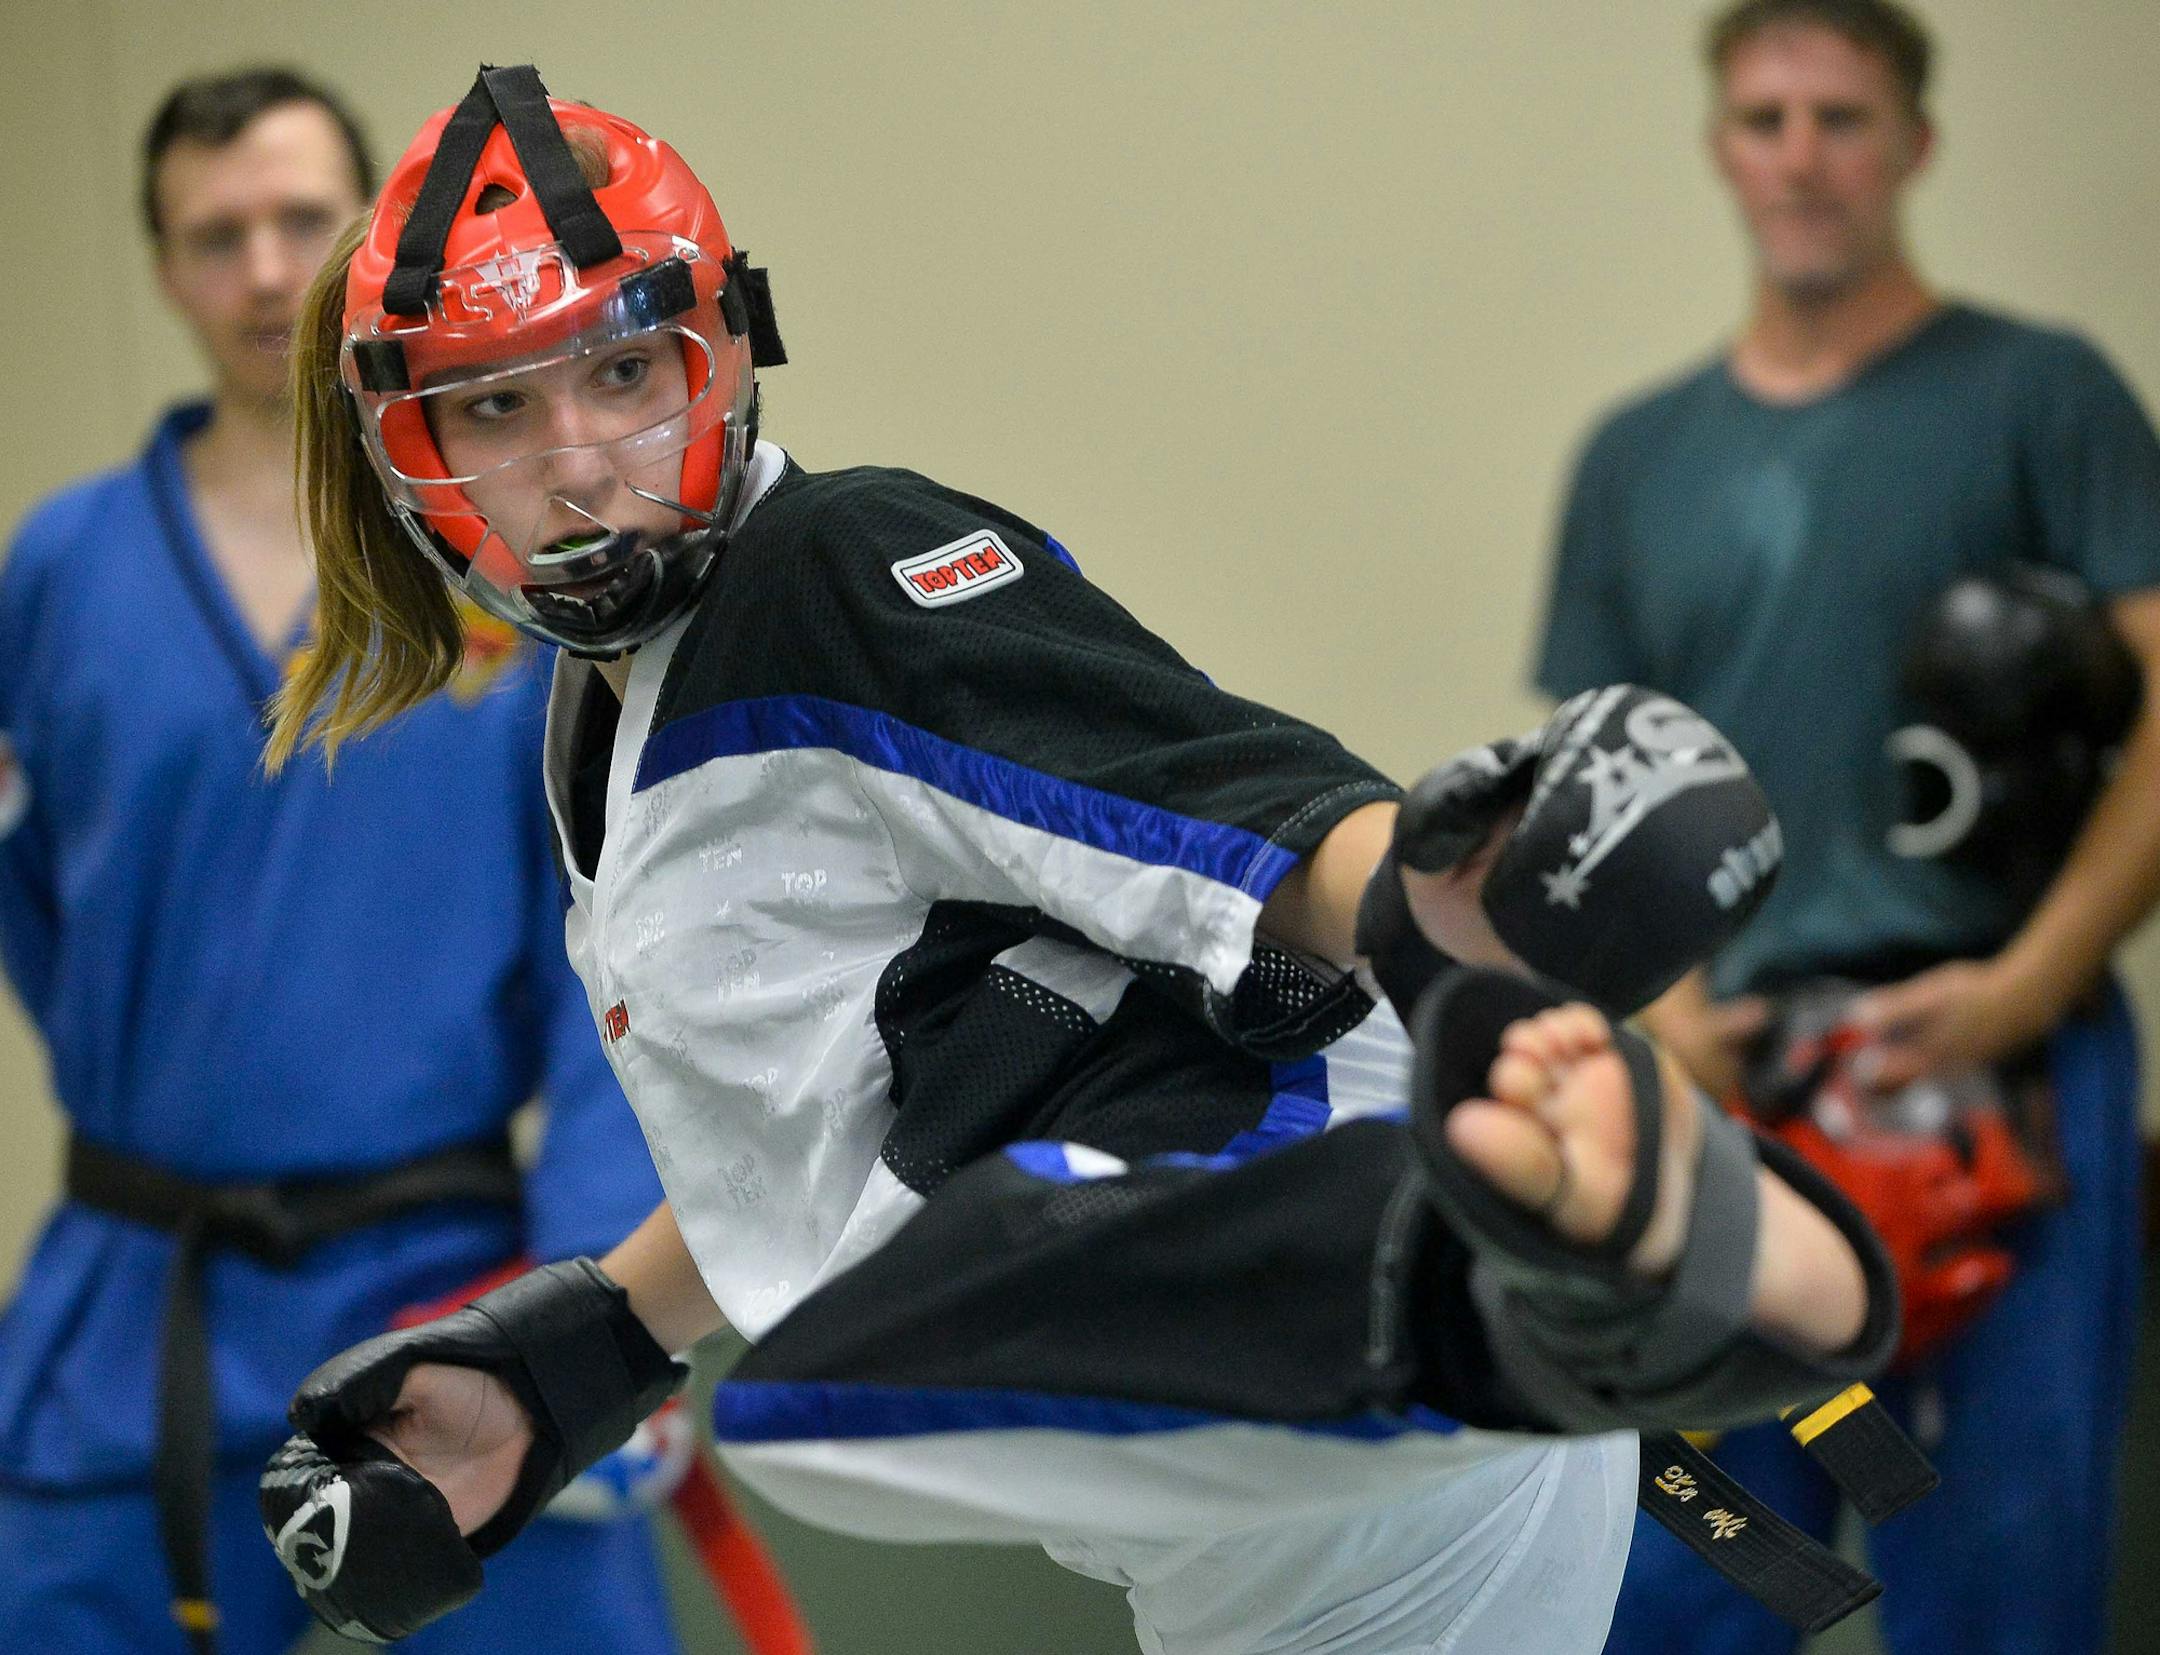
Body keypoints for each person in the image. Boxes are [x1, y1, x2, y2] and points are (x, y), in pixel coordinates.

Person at [256, 67, 1907, 1655]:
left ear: (727, 350)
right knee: (847, 1363)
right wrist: (575, 1360)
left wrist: (1445, 890)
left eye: (625, 373)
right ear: (411, 447)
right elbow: (850, 1142)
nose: (578, 464)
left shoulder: (833, 565)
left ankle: (1541, 1285)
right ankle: (1542, 1288)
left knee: (820, 1406)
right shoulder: (607, 715)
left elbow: (1202, 789)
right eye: (498, 406)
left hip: (1322, 1326)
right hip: (1249, 1507)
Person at [0, 67, 688, 1655]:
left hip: (452, 1287)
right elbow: (43, 916)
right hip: (142, 1303)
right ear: (164, 266)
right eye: (214, 234)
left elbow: (615, 936)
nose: (260, 272)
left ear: (369, 245)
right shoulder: (60, 572)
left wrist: (597, 1307)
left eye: (299, 222)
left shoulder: (506, 549)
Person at [1534, 4, 2160, 1652]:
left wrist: (2032, 983)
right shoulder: (1637, 459)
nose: (1801, 158)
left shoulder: (2041, 396)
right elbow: (1588, 783)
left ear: (1914, 144)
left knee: (1999, 1590)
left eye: (1841, 118)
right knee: (1698, 1586)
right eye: (1766, 120)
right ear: (1720, 149)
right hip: (1732, 1095)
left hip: (2001, 1078)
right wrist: (1667, 1012)